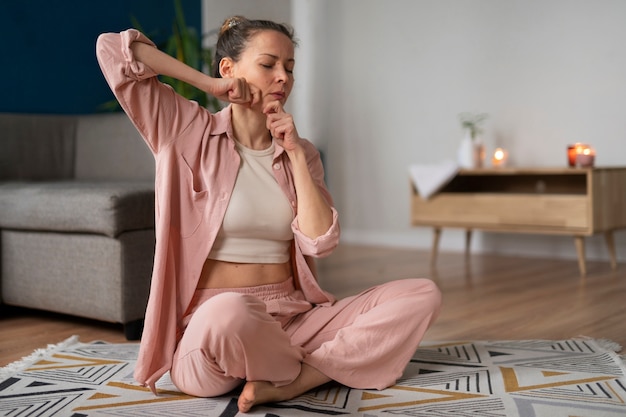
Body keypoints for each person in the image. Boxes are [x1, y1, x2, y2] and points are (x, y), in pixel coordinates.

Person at [96, 15, 441, 414]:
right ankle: (319, 365)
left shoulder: (302, 152)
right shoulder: (185, 131)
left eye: (290, 68)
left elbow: (320, 241)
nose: (283, 78)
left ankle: (296, 379)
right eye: (268, 64)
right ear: (229, 69)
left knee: (420, 294)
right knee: (230, 312)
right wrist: (209, 86)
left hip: (292, 320)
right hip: (210, 331)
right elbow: (113, 50)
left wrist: (293, 152)